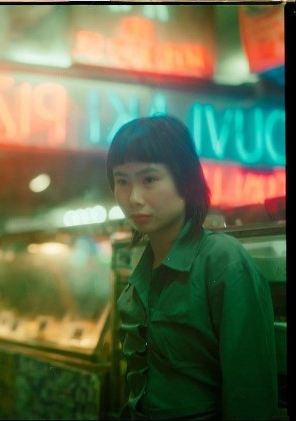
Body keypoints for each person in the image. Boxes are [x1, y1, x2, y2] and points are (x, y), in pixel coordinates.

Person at [106, 115, 278, 420]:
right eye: (122, 182)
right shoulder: (142, 270)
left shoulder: (223, 262)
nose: (134, 198)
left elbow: (250, 396)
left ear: (185, 182)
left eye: (149, 179)